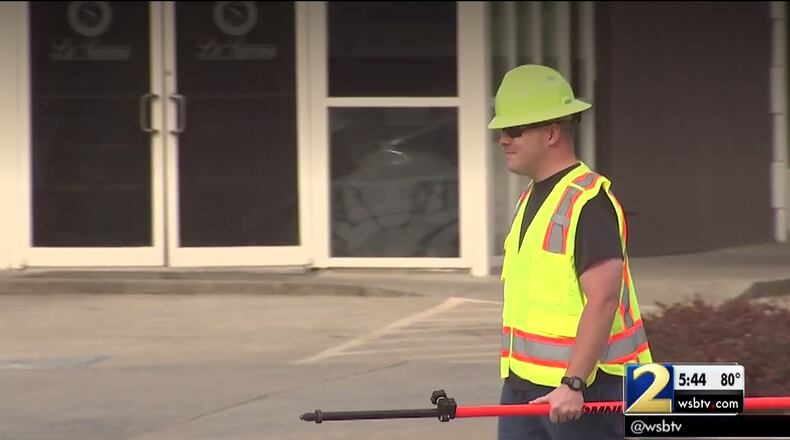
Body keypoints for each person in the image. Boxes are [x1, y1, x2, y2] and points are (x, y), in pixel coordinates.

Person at [489, 64, 653, 440]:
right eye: (501, 130)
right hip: (523, 387)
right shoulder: (530, 198)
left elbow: (604, 297)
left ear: (551, 133)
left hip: (584, 393)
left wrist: (574, 383)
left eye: (514, 130)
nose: (503, 139)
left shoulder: (588, 202)